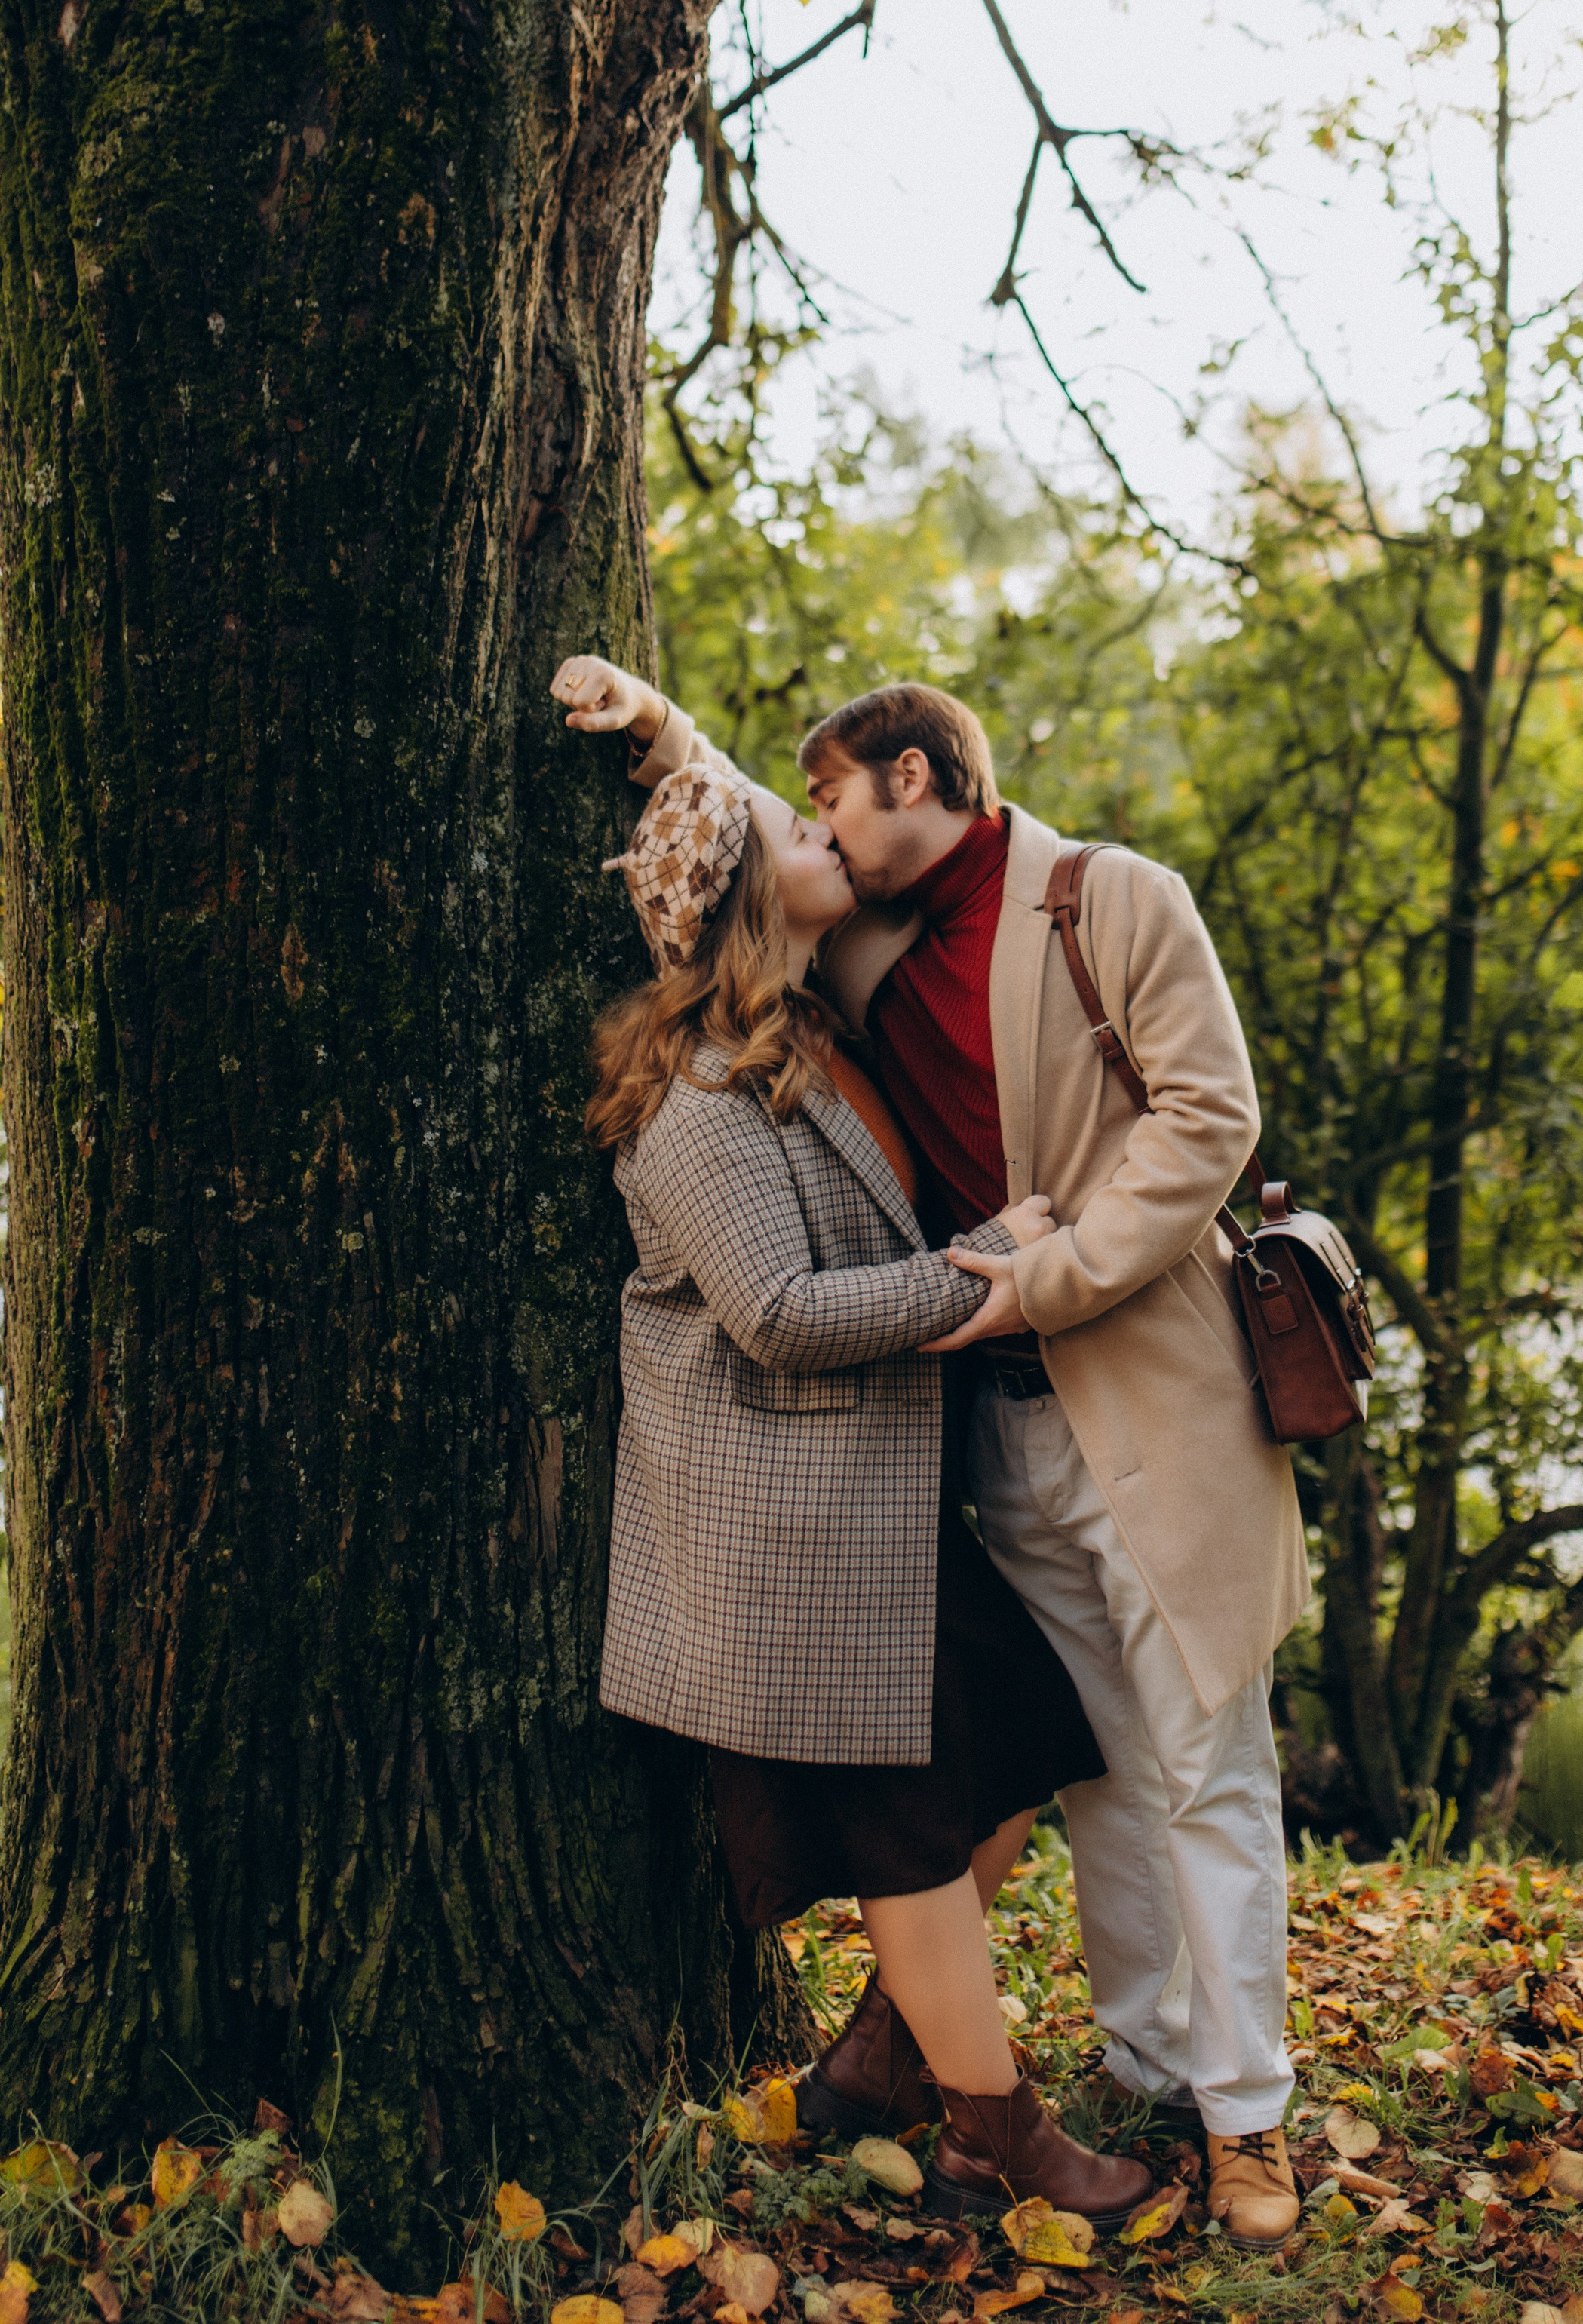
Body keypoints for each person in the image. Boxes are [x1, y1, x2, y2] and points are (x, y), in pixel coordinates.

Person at [554, 658, 1311, 2246]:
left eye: (832, 788)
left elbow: (1207, 1119)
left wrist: (1035, 1273)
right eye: (797, 811)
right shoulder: (861, 933)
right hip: (983, 1438)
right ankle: (1149, 2058)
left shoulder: (1110, 902)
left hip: (1146, 1401)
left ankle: (1246, 2122)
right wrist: (655, 729)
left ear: (908, 778)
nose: (808, 813)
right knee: (1089, 1761)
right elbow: (738, 856)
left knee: (1205, 1763)